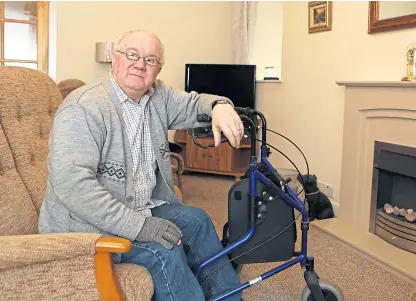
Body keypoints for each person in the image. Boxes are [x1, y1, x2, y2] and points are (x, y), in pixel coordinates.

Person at [38, 29, 245, 301]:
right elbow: (73, 186)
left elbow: (196, 104)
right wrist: (141, 226)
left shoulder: (157, 96)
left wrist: (220, 106)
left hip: (141, 205)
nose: (140, 64)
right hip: (84, 227)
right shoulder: (84, 107)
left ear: (158, 69)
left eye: (150, 59)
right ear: (114, 57)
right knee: (165, 252)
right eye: (132, 54)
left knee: (198, 220)